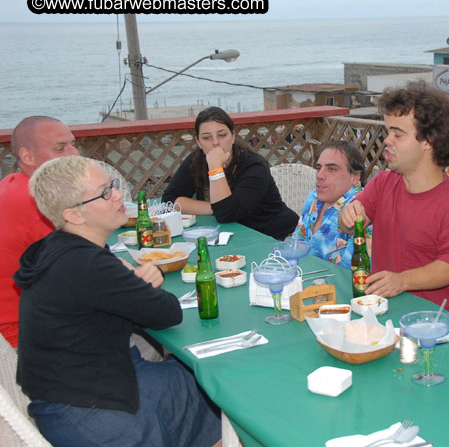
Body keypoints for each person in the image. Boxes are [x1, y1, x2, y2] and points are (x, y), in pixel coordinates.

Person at [15, 156, 221, 446]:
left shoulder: (56, 247)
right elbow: (167, 312)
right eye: (105, 193)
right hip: (95, 412)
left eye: (112, 186)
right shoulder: (88, 264)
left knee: (196, 378)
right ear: (74, 215)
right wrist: (143, 283)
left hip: (70, 391)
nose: (117, 196)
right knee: (218, 388)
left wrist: (130, 283)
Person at [338, 82, 449, 321]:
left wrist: (402, 280)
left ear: (428, 140)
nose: (387, 141)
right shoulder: (383, 183)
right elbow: (349, 225)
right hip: (386, 314)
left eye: (398, 134)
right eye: (388, 132)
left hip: (440, 325)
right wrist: (348, 216)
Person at [0, 116, 79, 348]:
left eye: (73, 144)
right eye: (60, 148)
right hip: (26, 339)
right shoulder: (39, 204)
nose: (74, 154)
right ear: (27, 156)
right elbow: (84, 277)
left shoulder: (12, 183)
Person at [162, 106, 298, 240]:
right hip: (234, 237)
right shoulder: (196, 160)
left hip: (278, 237)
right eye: (206, 137)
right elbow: (169, 201)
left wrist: (215, 167)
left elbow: (227, 214)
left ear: (232, 136)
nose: (215, 143)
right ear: (198, 142)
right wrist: (214, 207)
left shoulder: (254, 166)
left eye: (222, 135)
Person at [293, 141, 365, 268]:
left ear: (355, 177)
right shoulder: (314, 198)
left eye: (332, 169)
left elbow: (350, 270)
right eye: (319, 168)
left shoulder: (361, 209)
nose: (319, 175)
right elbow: (295, 244)